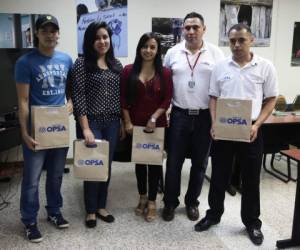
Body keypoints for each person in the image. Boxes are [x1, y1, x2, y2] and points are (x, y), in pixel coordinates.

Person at [194, 23, 278, 246]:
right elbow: (213, 97)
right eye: (232, 41)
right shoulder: (221, 67)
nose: (236, 44)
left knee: (250, 179)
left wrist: (257, 124)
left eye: (241, 40)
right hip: (224, 129)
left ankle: (252, 222)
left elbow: (271, 99)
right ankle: (213, 215)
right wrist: (213, 123)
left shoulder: (265, 67)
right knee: (219, 176)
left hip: (251, 130)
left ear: (251, 40)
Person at [15, 14, 73, 243]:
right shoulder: (25, 62)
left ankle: (54, 212)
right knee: (31, 178)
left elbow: (70, 92)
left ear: (58, 34)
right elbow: (22, 101)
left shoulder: (66, 59)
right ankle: (29, 221)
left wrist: (70, 103)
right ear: (36, 34)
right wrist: (25, 133)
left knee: (57, 175)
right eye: (45, 30)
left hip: (58, 128)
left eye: (53, 30)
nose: (50, 35)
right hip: (36, 130)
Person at [162, 12, 224, 222]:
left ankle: (192, 202)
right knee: (173, 162)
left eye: (195, 27)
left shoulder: (216, 53)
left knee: (200, 163)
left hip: (205, 116)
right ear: (182, 30)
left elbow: (222, 86)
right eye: (187, 27)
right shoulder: (172, 53)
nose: (190, 31)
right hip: (179, 115)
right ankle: (170, 202)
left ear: (203, 29)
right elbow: (165, 86)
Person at [71, 21, 123, 228]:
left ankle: (102, 206)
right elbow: (78, 96)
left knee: (106, 167)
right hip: (91, 122)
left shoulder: (115, 64)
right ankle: (91, 210)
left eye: (105, 37)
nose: (102, 41)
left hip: (112, 121)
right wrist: (85, 128)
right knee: (93, 167)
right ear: (90, 41)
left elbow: (121, 96)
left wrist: (121, 122)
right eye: (97, 38)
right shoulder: (82, 64)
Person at [120, 32, 173, 222]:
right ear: (139, 48)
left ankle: (152, 202)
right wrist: (126, 121)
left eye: (152, 47)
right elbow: (123, 99)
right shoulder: (128, 71)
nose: (148, 50)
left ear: (157, 50)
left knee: (155, 164)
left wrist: (155, 116)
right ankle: (142, 197)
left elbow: (167, 99)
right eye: (145, 46)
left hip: (157, 125)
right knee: (140, 163)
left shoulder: (165, 72)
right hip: (135, 125)